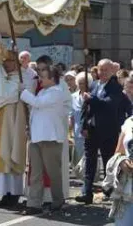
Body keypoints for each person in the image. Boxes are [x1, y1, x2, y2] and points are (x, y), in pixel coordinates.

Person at [0, 50, 27, 207]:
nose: (7, 64)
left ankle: (14, 192)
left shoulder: (22, 77)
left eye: (10, 61)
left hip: (13, 120)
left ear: (16, 63)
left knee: (11, 152)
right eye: (5, 61)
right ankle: (4, 192)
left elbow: (10, 95)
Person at [76, 59, 124, 204]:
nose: (102, 73)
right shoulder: (94, 85)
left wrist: (92, 99)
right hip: (92, 129)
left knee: (108, 161)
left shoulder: (115, 87)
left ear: (112, 71)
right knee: (89, 161)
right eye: (100, 70)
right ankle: (86, 191)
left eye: (106, 70)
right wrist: (84, 125)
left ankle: (109, 190)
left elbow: (110, 104)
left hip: (108, 130)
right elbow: (86, 107)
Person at [21, 65, 66, 214]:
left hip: (50, 138)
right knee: (36, 173)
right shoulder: (41, 92)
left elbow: (38, 104)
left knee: (53, 172)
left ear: (52, 79)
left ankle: (58, 200)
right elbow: (35, 110)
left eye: (43, 77)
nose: (40, 79)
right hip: (36, 137)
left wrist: (24, 92)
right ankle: (33, 203)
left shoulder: (57, 92)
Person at [70, 72, 93, 165]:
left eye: (83, 83)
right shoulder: (73, 96)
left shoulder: (93, 96)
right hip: (77, 131)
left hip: (91, 131)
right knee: (79, 157)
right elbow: (71, 114)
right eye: (79, 83)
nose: (81, 85)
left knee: (90, 157)